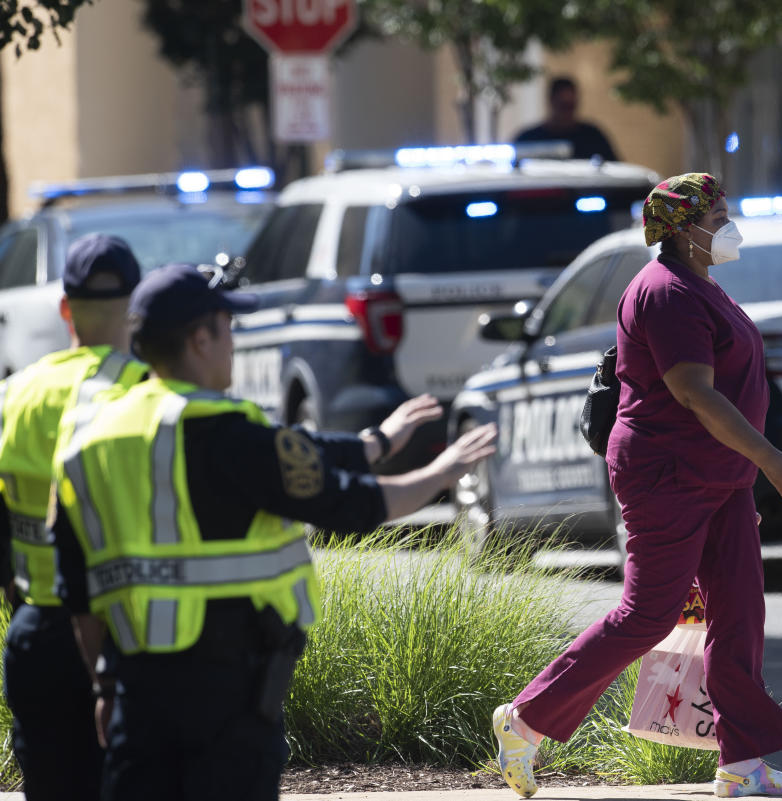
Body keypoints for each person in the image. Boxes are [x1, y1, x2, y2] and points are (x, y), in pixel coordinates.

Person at [50, 262, 497, 801]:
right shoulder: (227, 431)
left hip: (136, 694)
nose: (234, 345)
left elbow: (77, 589)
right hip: (230, 705)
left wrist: (104, 689)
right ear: (200, 339)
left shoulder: (90, 440)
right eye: (228, 329)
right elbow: (356, 504)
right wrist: (442, 472)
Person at [491, 173, 782, 799]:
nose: (727, 222)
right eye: (717, 213)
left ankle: (742, 764)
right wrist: (772, 458)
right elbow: (694, 392)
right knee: (649, 614)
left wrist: (750, 468)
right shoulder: (666, 292)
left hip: (720, 475)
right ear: (683, 226)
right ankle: (525, 718)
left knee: (740, 612)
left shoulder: (702, 286)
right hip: (668, 474)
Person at [0, 234, 147, 801]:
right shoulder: (147, 394)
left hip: (37, 633)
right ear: (134, 309)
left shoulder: (17, 394)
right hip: (124, 638)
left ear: (65, 308)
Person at [513, 76, 619, 162]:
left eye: (571, 106)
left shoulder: (593, 136)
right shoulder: (528, 138)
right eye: (563, 106)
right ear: (551, 102)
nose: (567, 112)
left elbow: (615, 171)